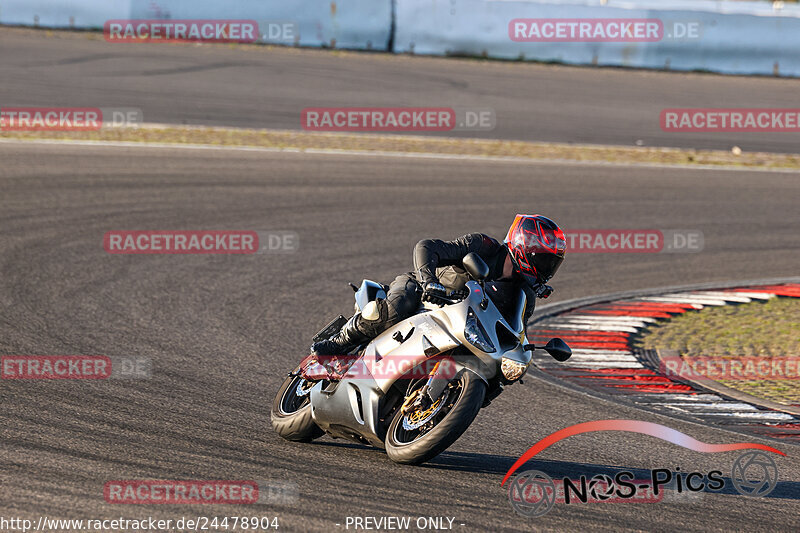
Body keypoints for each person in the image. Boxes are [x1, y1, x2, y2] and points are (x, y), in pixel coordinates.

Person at [311, 214, 566, 355]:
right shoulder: (484, 246)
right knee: (396, 309)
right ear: (524, 249)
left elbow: (516, 332)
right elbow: (427, 247)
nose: (546, 270)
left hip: (459, 327)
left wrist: (518, 353)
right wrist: (429, 282)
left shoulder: (524, 294)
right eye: (543, 260)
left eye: (551, 264)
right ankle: (340, 341)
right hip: (423, 294)